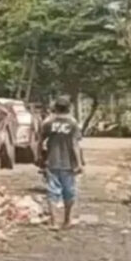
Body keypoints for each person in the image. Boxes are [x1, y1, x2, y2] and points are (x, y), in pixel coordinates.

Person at [39, 95, 84, 230]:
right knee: (69, 192)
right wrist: (79, 163)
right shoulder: (73, 124)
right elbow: (75, 144)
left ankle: (53, 222)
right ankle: (67, 220)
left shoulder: (48, 123)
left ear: (55, 108)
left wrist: (39, 157)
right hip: (68, 163)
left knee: (52, 192)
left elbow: (40, 142)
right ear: (69, 108)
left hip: (52, 162)